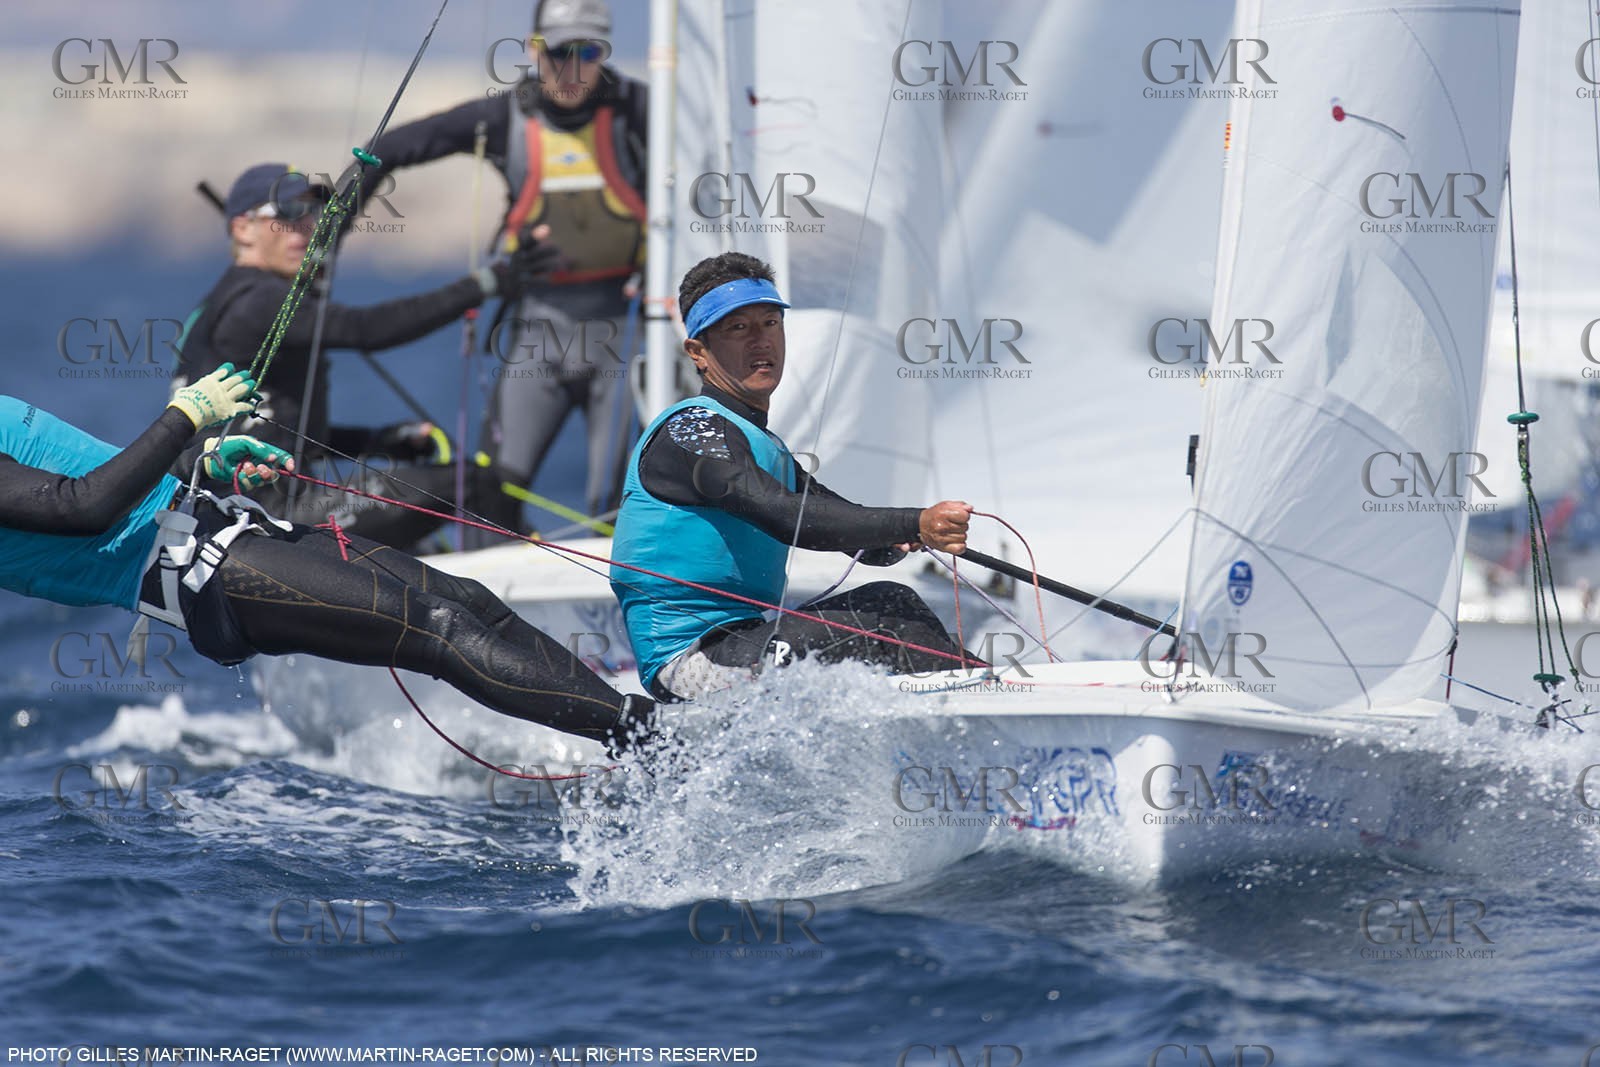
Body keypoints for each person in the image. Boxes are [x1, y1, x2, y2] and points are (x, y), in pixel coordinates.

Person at [0, 364, 655, 754]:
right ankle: (643, 734)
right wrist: (185, 417)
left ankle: (635, 734)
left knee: (469, 600)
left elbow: (92, 480)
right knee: (438, 627)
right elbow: (82, 508)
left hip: (226, 528)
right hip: (207, 579)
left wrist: (200, 463)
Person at [608, 252, 983, 702]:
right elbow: (787, 517)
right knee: (882, 620)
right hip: (691, 664)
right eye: (738, 328)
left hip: (746, 644)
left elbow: (853, 534)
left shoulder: (767, 448)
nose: (760, 341)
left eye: (770, 323)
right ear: (698, 353)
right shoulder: (691, 431)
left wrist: (896, 537)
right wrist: (913, 520)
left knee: (893, 601)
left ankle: (984, 692)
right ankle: (991, 699)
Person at [364, 0, 647, 527]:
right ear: (534, 51)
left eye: (588, 54)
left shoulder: (640, 111)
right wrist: (322, 249)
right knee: (493, 497)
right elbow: (388, 149)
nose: (572, 70)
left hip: (625, 331)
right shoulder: (503, 118)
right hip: (538, 329)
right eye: (559, 53)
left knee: (618, 503)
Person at [174, 162, 557, 550]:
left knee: (421, 538)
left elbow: (278, 429)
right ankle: (516, 568)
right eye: (288, 213)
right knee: (471, 481)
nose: (306, 226)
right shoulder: (259, 301)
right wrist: (485, 284)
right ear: (243, 229)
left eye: (312, 212)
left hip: (229, 514)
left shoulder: (217, 305)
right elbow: (368, 329)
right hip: (267, 513)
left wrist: (379, 441)